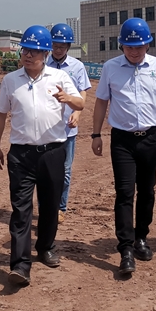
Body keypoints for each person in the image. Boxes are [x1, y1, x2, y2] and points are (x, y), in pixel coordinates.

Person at [0, 25, 84, 286]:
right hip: (21, 155)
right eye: (25, 51)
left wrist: (68, 98)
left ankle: (46, 247)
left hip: (53, 152)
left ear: (45, 54)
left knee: (50, 205)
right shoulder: (11, 80)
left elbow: (81, 103)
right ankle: (20, 265)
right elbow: (0, 115)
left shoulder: (59, 77)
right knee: (21, 210)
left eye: (35, 51)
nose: (28, 56)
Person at [91, 18, 156, 275]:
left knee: (147, 191)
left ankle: (141, 237)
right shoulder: (111, 68)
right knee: (124, 192)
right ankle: (126, 248)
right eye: (129, 47)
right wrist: (96, 134)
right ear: (121, 46)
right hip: (122, 140)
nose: (134, 51)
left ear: (148, 44)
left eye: (139, 46)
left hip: (150, 138)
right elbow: (101, 102)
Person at [47, 23, 91, 223]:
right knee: (46, 171)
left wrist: (77, 113)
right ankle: (47, 207)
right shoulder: (43, 63)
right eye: (55, 46)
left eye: (62, 46)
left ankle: (60, 207)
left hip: (68, 128)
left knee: (65, 170)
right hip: (47, 128)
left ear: (68, 47)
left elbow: (82, 92)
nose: (58, 50)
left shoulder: (77, 66)